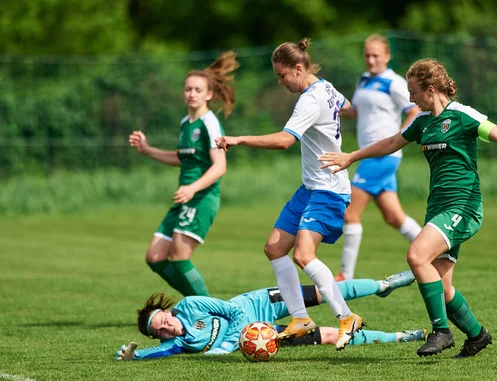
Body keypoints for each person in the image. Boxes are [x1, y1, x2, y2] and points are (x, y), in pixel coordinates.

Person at [319, 58, 497, 358]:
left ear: (430, 90)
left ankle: (441, 332)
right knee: (442, 288)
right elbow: (391, 142)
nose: (410, 98)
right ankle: (477, 335)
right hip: (438, 208)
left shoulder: (462, 115)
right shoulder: (423, 122)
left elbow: (494, 131)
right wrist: (352, 156)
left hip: (463, 206)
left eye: (413, 92)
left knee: (416, 255)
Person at [215, 38, 366, 351]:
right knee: (274, 248)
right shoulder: (326, 87)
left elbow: (285, 140)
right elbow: (348, 107)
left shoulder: (310, 99)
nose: (281, 81)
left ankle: (346, 316)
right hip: (311, 188)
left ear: (299, 68)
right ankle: (301, 318)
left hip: (329, 190)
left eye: (283, 75)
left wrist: (240, 139)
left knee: (303, 255)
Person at [114, 271, 421, 360]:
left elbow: (233, 310)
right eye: (161, 331)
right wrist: (133, 356)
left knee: (326, 291)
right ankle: (400, 336)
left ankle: (382, 284)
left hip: (259, 304)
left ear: (168, 311)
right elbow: (157, 353)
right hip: (261, 336)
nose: (168, 328)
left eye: (164, 320)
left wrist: (229, 343)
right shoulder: (181, 345)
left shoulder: (192, 305)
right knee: (330, 335)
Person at [128, 51, 239, 297]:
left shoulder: (209, 123)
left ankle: (208, 309)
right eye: (188, 89)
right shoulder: (185, 123)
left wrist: (192, 188)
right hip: (184, 199)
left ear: (209, 94)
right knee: (155, 257)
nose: (192, 94)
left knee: (179, 257)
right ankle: (196, 303)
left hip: (201, 198)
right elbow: (182, 157)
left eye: (198, 90)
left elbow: (220, 166)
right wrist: (147, 150)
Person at [335, 34, 422, 282]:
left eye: (376, 55)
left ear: (387, 56)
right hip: (371, 154)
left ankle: (345, 275)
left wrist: (398, 138)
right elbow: (356, 112)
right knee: (393, 217)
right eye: (367, 55)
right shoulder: (364, 80)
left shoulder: (393, 82)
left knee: (350, 213)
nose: (371, 60)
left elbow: (415, 111)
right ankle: (437, 252)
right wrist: (329, 104)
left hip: (383, 155)